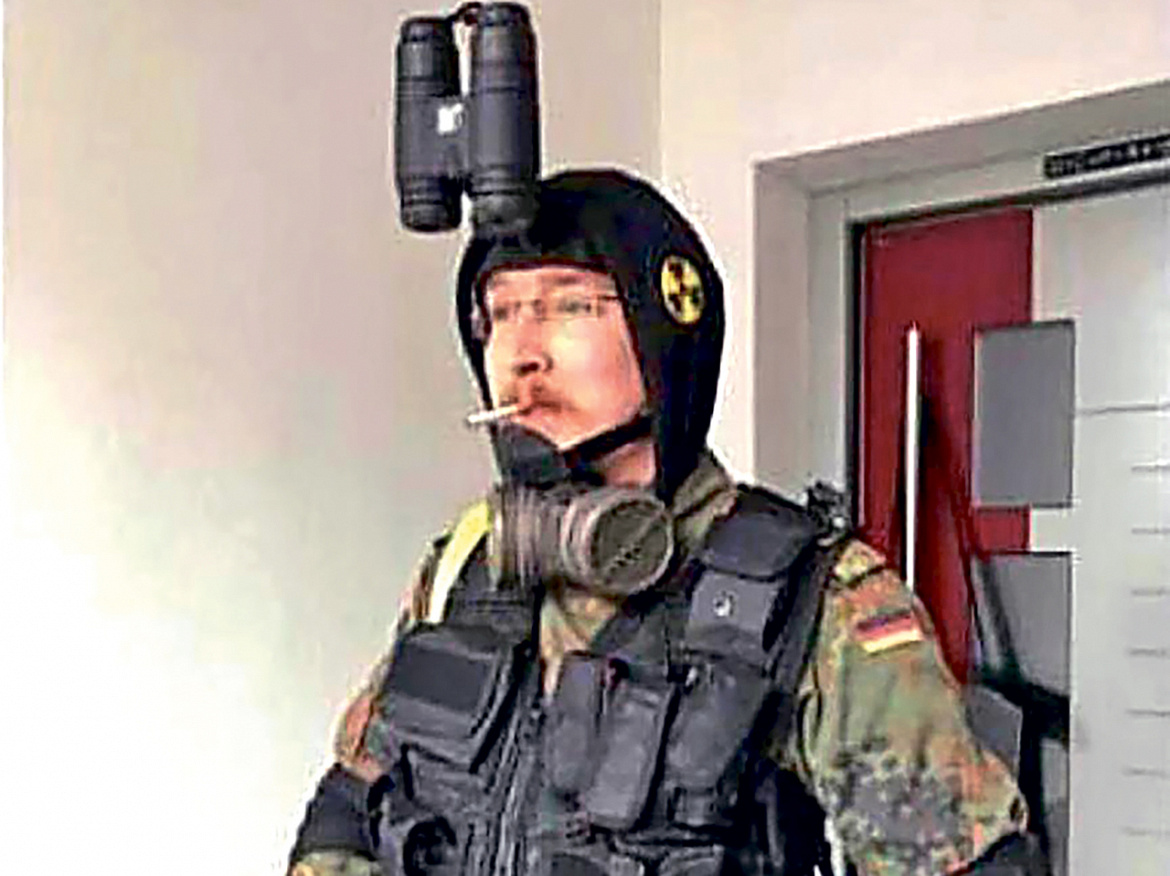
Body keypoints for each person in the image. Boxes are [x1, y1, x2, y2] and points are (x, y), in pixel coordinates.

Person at [287, 169, 1043, 876]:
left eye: (570, 306)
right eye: (501, 313)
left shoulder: (817, 598)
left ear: (664, 335)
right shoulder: (466, 566)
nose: (520, 354)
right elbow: (353, 803)